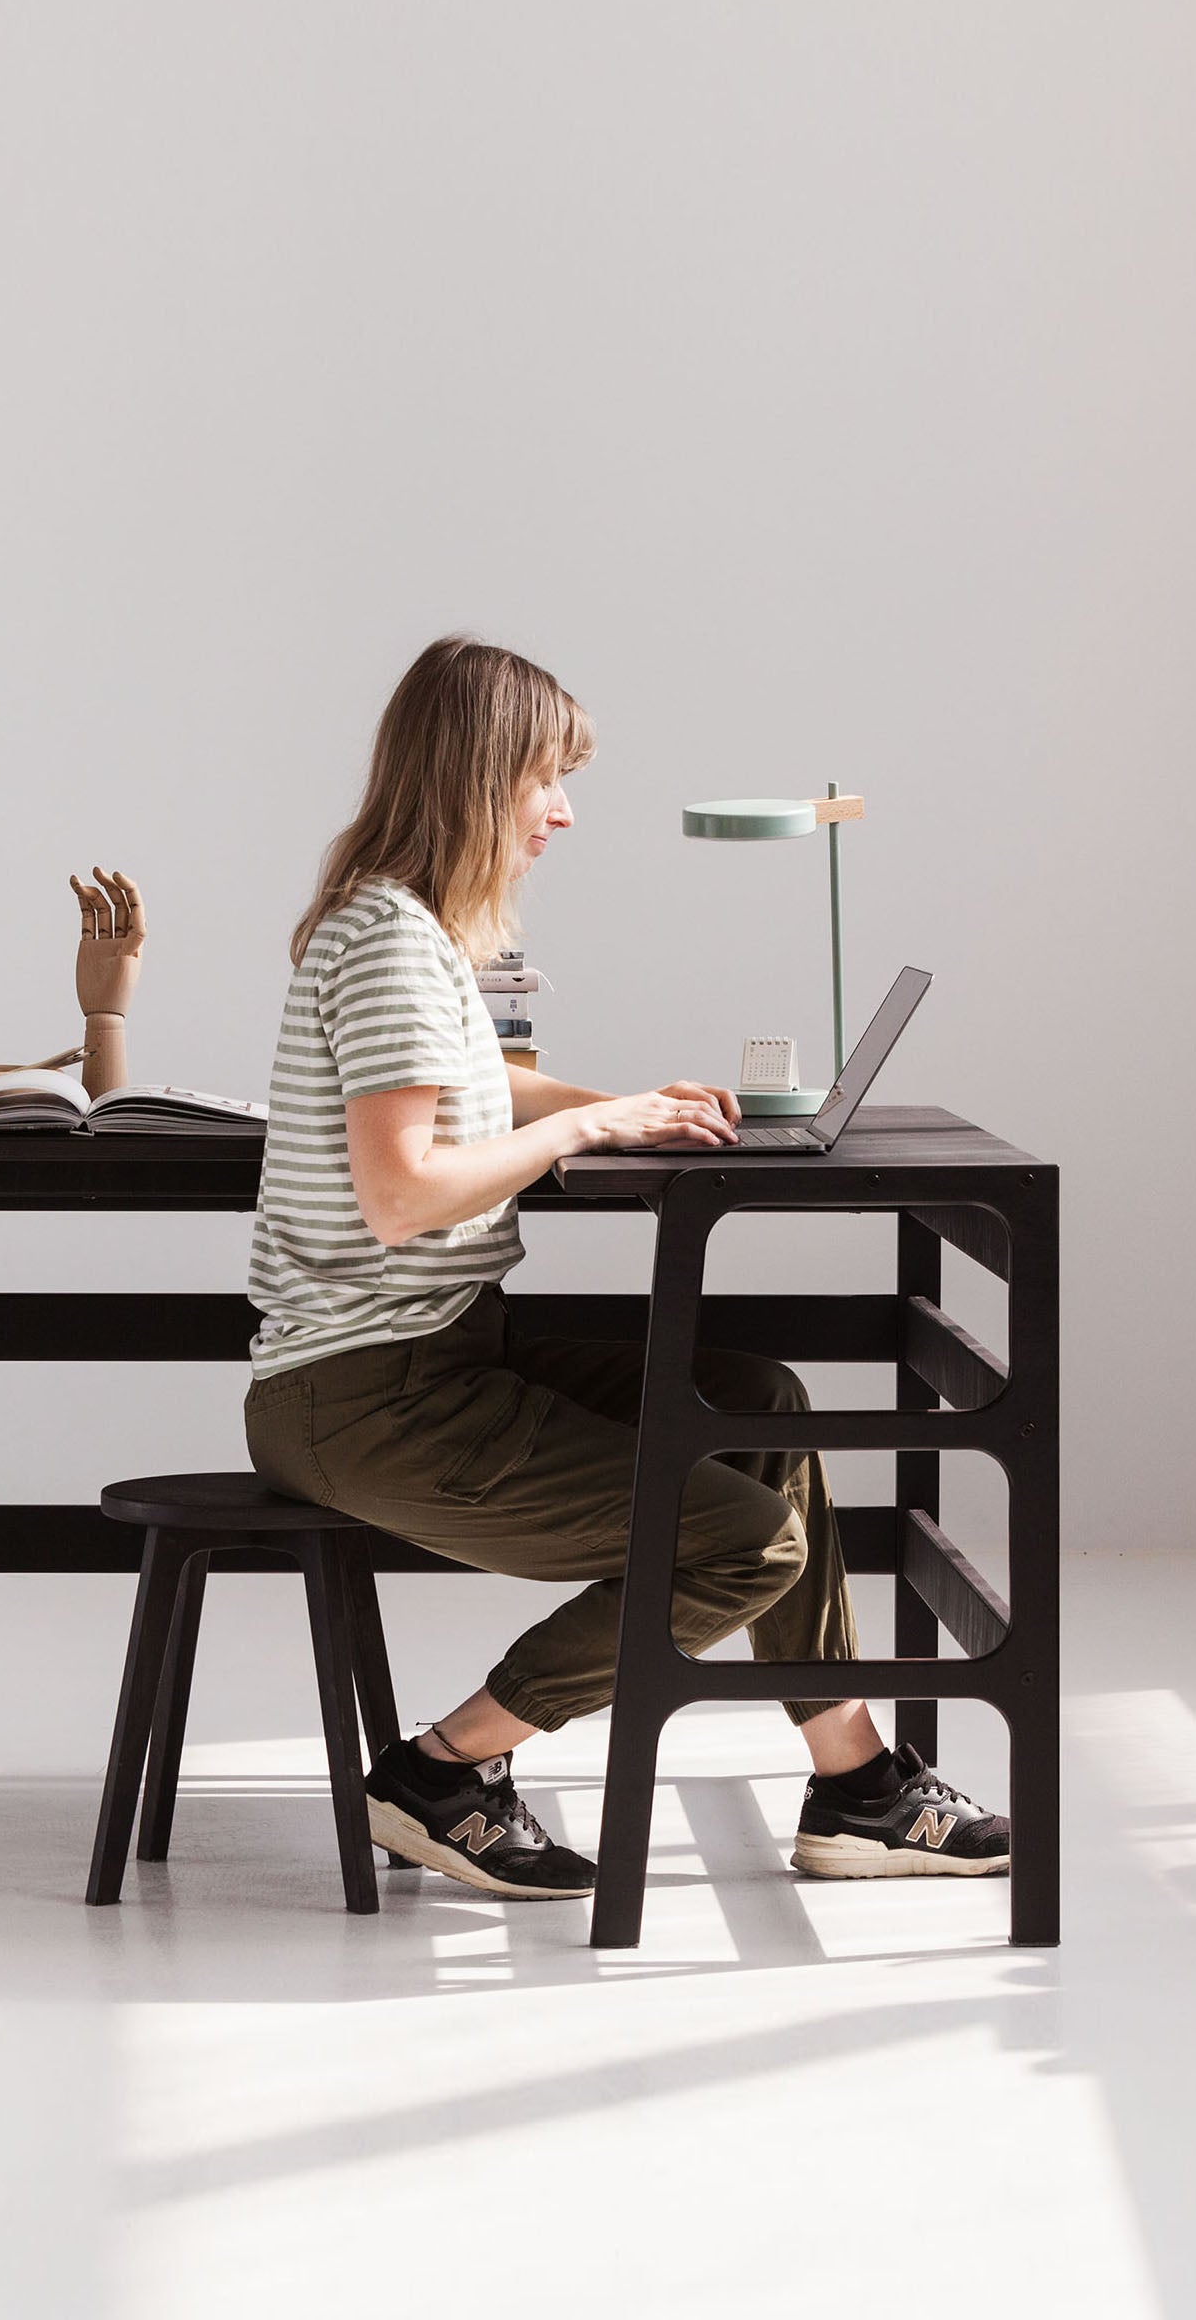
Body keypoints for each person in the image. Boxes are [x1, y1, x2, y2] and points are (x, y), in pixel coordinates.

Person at [243, 637, 1008, 1900]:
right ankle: (443, 1772)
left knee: (758, 1401)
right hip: (365, 1396)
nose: (562, 810)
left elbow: (474, 1089)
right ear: (478, 775)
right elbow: (400, 1193)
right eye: (546, 776)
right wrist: (587, 1130)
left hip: (432, 1361)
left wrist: (631, 1102)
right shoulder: (386, 940)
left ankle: (854, 1784)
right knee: (745, 1543)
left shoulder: (418, 930)